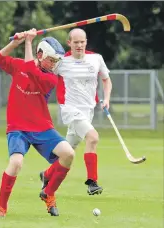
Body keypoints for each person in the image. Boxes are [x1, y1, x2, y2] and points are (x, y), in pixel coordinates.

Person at [0, 29, 75, 217]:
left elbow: (31, 69)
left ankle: (48, 192)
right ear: (40, 54)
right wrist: (16, 42)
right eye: (52, 60)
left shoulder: (50, 78)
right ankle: (1, 208)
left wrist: (29, 41)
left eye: (56, 62)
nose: (54, 65)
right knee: (16, 163)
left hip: (42, 126)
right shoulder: (19, 65)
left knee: (68, 154)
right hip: (18, 128)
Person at [40, 28, 112, 196]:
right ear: (69, 43)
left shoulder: (96, 59)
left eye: (82, 42)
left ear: (86, 42)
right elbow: (42, 71)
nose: (79, 45)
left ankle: (47, 174)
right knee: (93, 137)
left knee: (68, 153)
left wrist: (106, 98)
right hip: (70, 110)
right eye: (76, 42)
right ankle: (92, 182)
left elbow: (106, 79)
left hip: (88, 111)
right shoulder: (61, 62)